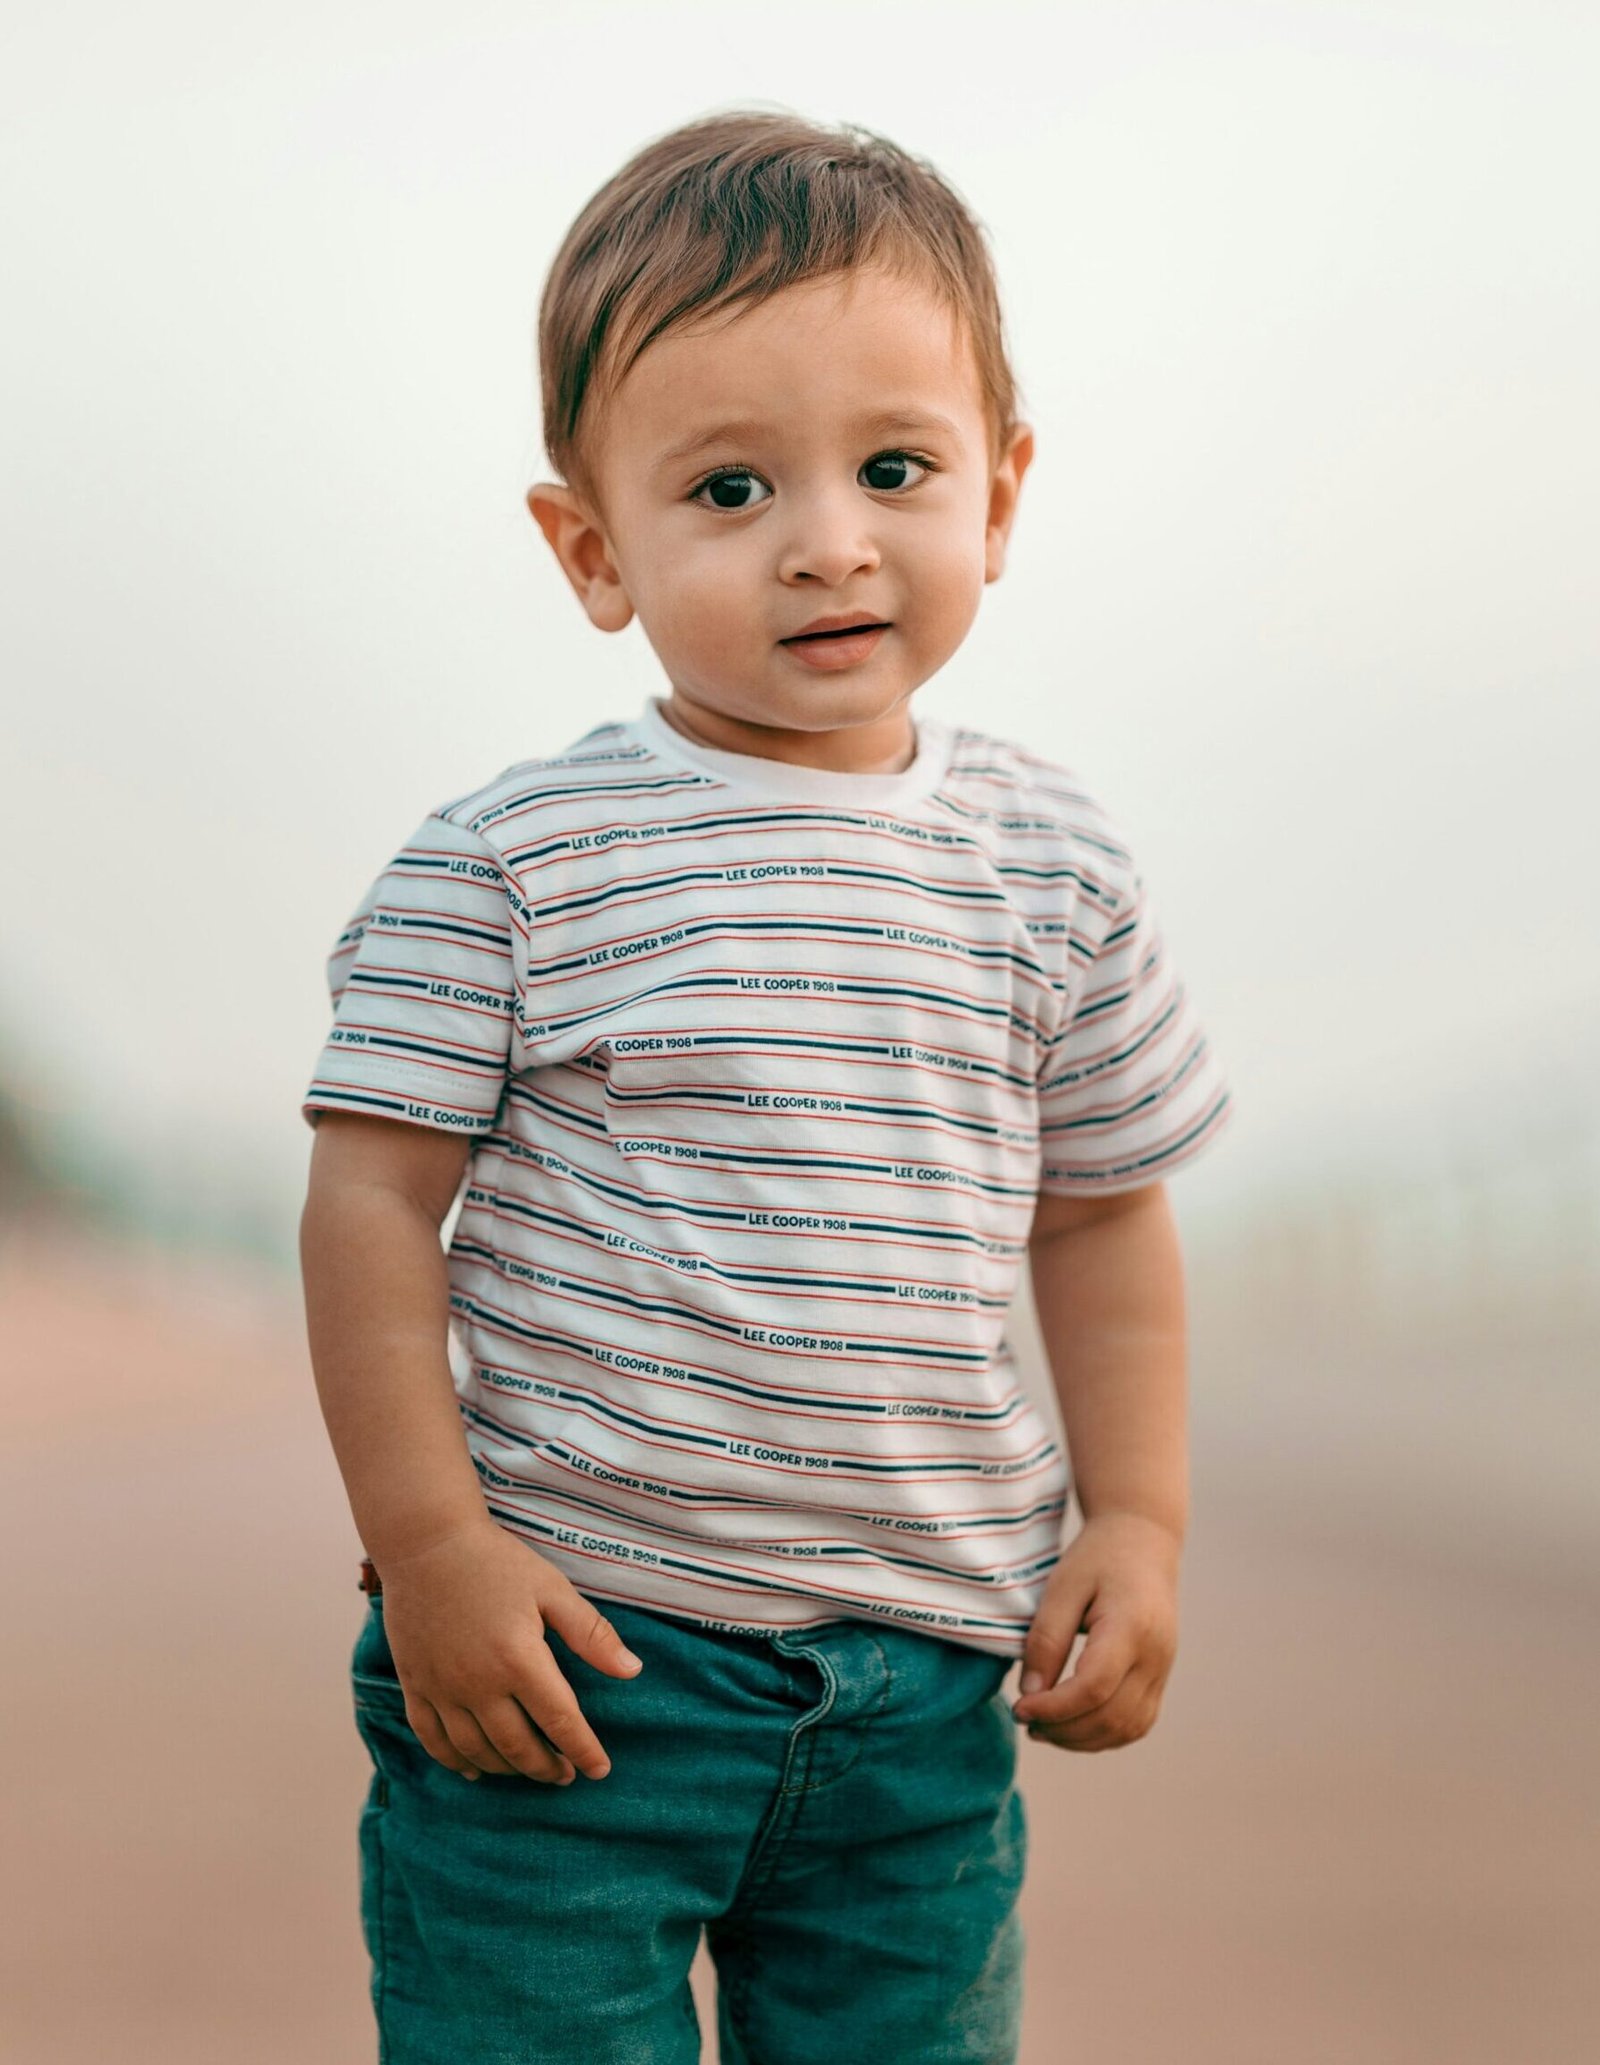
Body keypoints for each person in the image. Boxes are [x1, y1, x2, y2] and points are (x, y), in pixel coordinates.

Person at [298, 107, 1234, 2065]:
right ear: (593, 548)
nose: (827, 538)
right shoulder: (513, 860)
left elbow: (1098, 1213)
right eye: (728, 487)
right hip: (577, 1665)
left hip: (929, 1692)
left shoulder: (1051, 864)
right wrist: (436, 1546)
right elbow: (373, 1201)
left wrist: (1135, 1518)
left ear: (998, 492)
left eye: (894, 468)